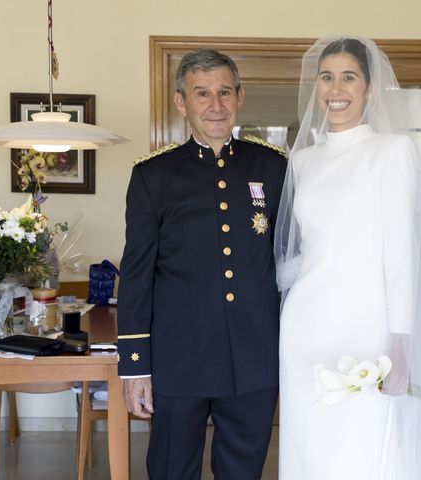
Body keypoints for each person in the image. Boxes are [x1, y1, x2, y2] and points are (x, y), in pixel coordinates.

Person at [275, 36, 421, 479]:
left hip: (368, 329)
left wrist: (400, 343)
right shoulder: (302, 161)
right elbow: (301, 250)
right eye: (326, 77)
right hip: (306, 327)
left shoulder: (392, 151)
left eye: (349, 77)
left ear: (370, 87)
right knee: (310, 445)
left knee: (365, 446)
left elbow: (400, 253)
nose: (336, 88)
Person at [117, 48, 286, 479]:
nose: (216, 105)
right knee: (172, 469)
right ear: (182, 103)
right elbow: (136, 275)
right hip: (178, 358)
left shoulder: (273, 167)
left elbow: (290, 258)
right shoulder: (153, 176)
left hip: (254, 357)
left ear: (240, 97)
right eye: (203, 94)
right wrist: (136, 366)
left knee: (243, 471)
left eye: (225, 92)